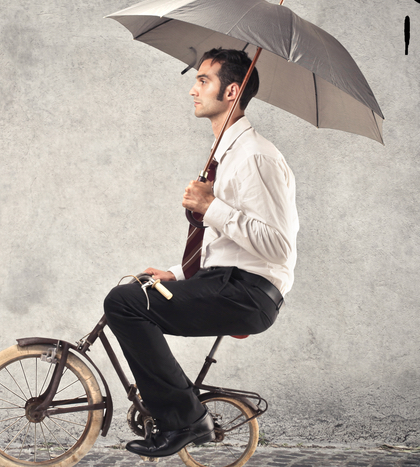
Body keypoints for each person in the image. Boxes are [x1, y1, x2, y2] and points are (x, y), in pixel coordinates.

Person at [103, 47, 298, 458]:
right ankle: (182, 413)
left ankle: (185, 420)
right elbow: (224, 247)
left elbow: (278, 247)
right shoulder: (226, 153)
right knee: (133, 294)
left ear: (232, 91)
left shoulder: (256, 156)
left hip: (249, 292)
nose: (193, 90)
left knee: (125, 303)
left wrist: (211, 207)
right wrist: (178, 273)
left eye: (203, 81)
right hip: (223, 280)